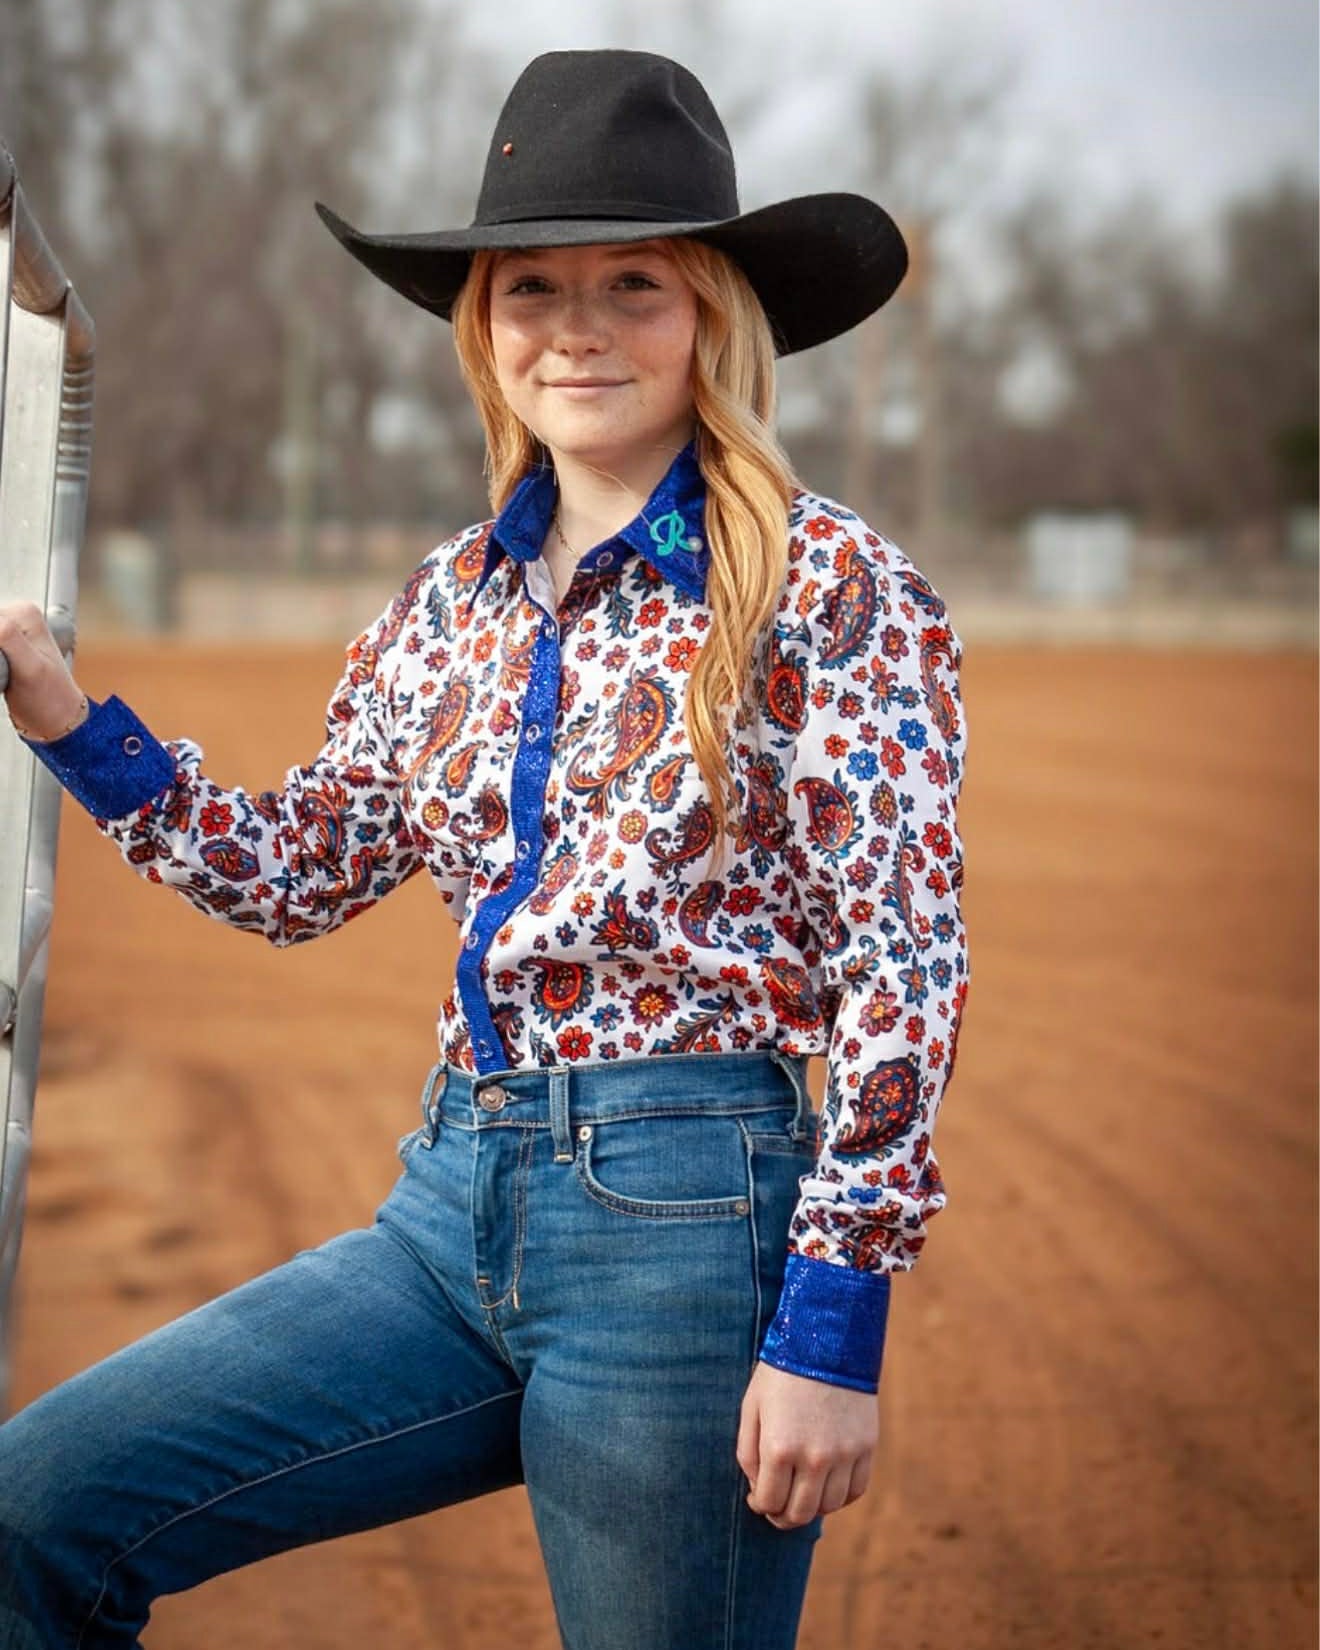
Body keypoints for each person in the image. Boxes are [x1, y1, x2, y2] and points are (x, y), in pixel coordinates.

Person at [0, 48, 968, 1650]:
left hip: (687, 1227)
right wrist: (64, 717)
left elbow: (902, 963)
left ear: (712, 311)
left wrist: (832, 1319)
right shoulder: (448, 602)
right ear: (484, 324)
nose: (577, 324)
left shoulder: (834, 586)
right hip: (449, 1208)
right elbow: (300, 868)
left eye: (633, 282)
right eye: (533, 287)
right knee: (40, 1507)